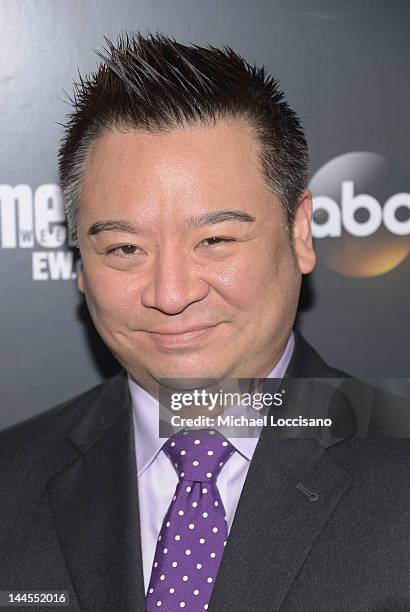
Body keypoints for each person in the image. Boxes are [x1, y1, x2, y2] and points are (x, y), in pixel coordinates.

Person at [0, 32, 408, 612]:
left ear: (299, 234)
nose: (171, 293)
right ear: (80, 265)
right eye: (123, 249)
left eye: (214, 240)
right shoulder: (10, 484)